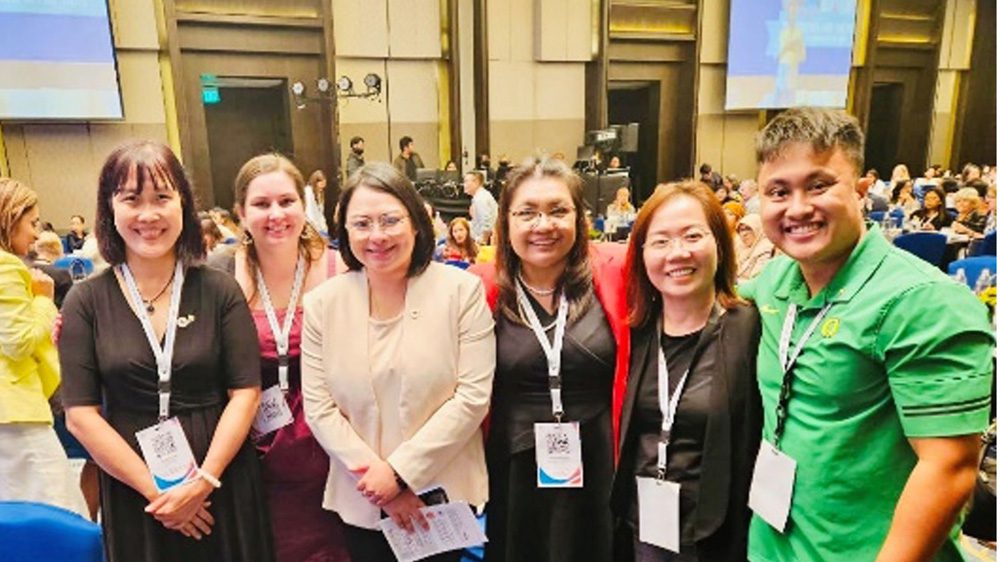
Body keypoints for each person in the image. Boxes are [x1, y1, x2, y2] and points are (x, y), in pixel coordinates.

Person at [742, 107, 993, 562]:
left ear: (860, 190)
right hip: (773, 546)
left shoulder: (923, 301)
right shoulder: (777, 281)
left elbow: (950, 467)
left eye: (818, 185)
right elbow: (711, 297)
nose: (797, 207)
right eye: (779, 191)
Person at [59, 140, 274, 561]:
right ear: (110, 208)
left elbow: (245, 393)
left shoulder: (219, 289)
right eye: (131, 199)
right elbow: (81, 416)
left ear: (183, 205)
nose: (148, 215)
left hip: (222, 481)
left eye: (162, 197)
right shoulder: (85, 301)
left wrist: (204, 481)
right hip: (134, 489)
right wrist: (160, 492)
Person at [302, 162, 494, 562]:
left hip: (440, 498)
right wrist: (379, 483)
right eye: (362, 224)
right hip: (361, 498)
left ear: (416, 223)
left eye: (390, 220)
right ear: (345, 231)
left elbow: (473, 398)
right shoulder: (323, 304)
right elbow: (319, 408)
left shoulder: (461, 292)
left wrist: (400, 475)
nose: (377, 236)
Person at [471, 158, 630, 562]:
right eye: (527, 213)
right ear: (506, 222)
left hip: (597, 459)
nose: (543, 225)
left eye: (558, 210)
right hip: (514, 465)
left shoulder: (616, 275)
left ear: (580, 217)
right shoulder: (478, 288)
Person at [612, 181, 761, 561]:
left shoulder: (750, 328)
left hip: (716, 533)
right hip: (641, 524)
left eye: (692, 236)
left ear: (719, 243)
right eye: (660, 241)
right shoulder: (634, 330)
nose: (677, 253)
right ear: (642, 253)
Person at [210, 154, 349, 562]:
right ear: (240, 212)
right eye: (261, 204)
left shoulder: (342, 267)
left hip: (333, 445)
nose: (276, 214)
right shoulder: (219, 277)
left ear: (303, 205)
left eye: (287, 201)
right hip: (254, 448)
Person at [0, 178, 88, 516]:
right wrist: (43, 300)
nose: (37, 234)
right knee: (62, 516)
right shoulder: (7, 266)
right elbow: (19, 342)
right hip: (18, 413)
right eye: (32, 222)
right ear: (10, 217)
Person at [734, 215, 775, 284]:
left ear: (758, 229)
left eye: (748, 229)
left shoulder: (766, 249)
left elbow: (757, 281)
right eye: (741, 230)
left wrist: (735, 281)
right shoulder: (740, 246)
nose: (744, 234)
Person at [465, 170, 498, 244]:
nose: (464, 185)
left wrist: (483, 241)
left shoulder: (480, 198)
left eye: (466, 181)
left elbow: (486, 223)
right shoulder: (481, 195)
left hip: (484, 241)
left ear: (476, 183)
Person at [304, 170, 330, 235]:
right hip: (312, 229)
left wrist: (324, 228)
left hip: (321, 229)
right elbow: (309, 213)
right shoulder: (308, 192)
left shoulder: (320, 193)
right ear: (315, 182)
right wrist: (315, 230)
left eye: (323, 188)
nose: (321, 189)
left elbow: (320, 214)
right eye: (320, 187)